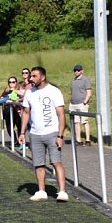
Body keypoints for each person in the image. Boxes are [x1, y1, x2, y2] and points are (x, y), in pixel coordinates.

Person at [19, 66, 68, 202]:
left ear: (43, 77)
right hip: (35, 134)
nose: (31, 78)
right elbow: (26, 113)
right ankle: (41, 191)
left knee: (56, 162)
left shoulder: (54, 91)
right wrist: (22, 132)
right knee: (38, 164)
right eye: (30, 76)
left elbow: (61, 114)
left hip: (52, 133)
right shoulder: (29, 93)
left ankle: (62, 191)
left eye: (34, 76)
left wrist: (60, 135)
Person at [69, 64, 93, 146]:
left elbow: (89, 93)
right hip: (73, 104)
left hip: (82, 104)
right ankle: (78, 140)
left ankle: (88, 139)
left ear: (82, 71)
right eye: (75, 70)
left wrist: (85, 102)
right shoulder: (73, 80)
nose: (76, 72)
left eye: (78, 70)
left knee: (84, 121)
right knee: (76, 122)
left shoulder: (85, 80)